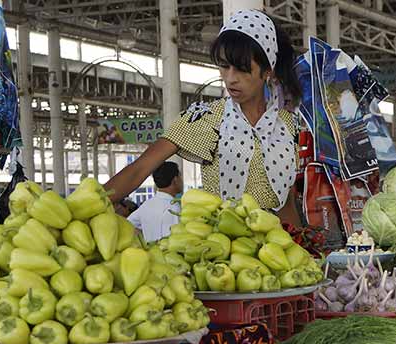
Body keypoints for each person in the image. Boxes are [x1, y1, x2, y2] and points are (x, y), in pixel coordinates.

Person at [105, 10, 302, 226]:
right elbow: (140, 169)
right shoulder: (209, 119)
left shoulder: (288, 127)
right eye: (224, 66)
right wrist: (88, 206)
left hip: (275, 252)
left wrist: (300, 249)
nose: (230, 78)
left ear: (267, 71)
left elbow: (286, 202)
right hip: (222, 250)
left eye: (242, 69)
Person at [128, 161, 182, 244]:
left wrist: (145, 241)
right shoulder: (174, 208)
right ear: (175, 180)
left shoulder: (146, 205)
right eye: (180, 176)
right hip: (168, 255)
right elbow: (176, 240)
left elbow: (127, 224)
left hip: (150, 254)